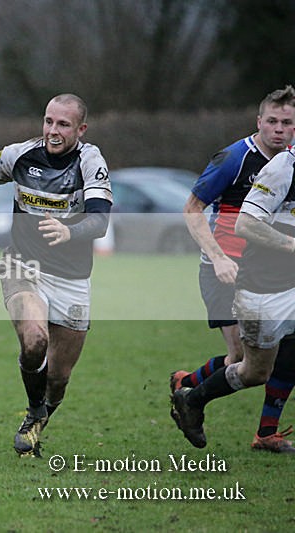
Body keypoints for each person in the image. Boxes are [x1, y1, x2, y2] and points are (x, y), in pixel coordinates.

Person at [0, 94, 112, 457]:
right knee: (34, 340)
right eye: (48, 121)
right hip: (23, 265)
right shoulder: (20, 155)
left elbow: (100, 219)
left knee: (59, 380)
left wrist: (69, 231)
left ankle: (41, 413)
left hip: (73, 278)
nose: (53, 130)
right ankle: (33, 415)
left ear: (81, 129)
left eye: (63, 124)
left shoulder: (90, 161)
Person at [171, 86, 295, 453]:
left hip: (275, 274)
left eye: (286, 123)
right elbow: (192, 209)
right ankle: (187, 386)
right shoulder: (233, 159)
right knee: (244, 358)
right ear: (259, 122)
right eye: (271, 121)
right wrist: (219, 256)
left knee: (284, 355)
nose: (278, 129)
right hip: (223, 268)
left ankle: (266, 432)